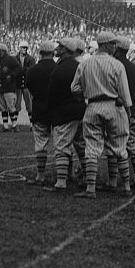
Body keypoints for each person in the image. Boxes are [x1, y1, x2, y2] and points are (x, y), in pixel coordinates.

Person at [71, 31, 133, 199]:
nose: (115, 47)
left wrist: (86, 93)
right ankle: (126, 186)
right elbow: (125, 96)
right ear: (105, 45)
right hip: (114, 105)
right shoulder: (117, 64)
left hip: (92, 105)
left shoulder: (85, 64)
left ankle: (91, 188)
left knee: (91, 147)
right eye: (113, 44)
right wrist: (127, 114)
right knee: (120, 146)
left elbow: (74, 89)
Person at [42, 38, 87, 193]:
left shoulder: (59, 69)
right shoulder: (80, 66)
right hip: (81, 111)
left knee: (62, 147)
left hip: (63, 112)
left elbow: (51, 94)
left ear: (66, 49)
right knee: (82, 147)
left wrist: (51, 111)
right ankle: (87, 178)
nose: (57, 48)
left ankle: (61, 181)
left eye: (60, 46)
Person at [114, 36, 135, 189]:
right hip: (134, 111)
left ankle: (120, 182)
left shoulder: (116, 65)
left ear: (117, 49)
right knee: (134, 144)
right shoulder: (132, 67)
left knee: (117, 147)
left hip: (120, 111)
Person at [25, 41, 57, 186]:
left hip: (39, 108)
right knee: (62, 144)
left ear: (40, 53)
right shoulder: (58, 69)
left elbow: (30, 90)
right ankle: (66, 174)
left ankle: (40, 175)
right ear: (53, 52)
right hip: (57, 109)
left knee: (40, 143)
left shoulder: (32, 70)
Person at [0, 43, 21, 132]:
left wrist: (12, 76)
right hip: (1, 88)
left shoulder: (10, 59)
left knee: (10, 107)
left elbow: (19, 68)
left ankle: (14, 125)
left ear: (3, 51)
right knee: (3, 108)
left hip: (9, 88)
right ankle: (5, 126)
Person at [15, 41, 36, 122]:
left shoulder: (31, 59)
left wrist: (20, 70)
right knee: (16, 105)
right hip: (18, 85)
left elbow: (31, 70)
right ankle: (14, 123)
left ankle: (31, 124)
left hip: (27, 85)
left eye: (26, 48)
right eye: (23, 47)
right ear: (19, 48)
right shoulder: (15, 58)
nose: (25, 49)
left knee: (30, 105)